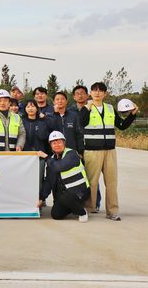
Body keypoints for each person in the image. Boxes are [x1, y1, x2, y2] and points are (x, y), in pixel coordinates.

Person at [79, 82, 137, 221]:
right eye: (94, 90)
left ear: (105, 94)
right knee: (92, 182)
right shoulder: (86, 108)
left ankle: (112, 211)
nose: (97, 93)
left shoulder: (110, 108)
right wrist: (87, 108)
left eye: (100, 91)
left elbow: (121, 125)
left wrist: (132, 115)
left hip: (110, 151)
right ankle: (88, 209)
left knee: (111, 183)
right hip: (92, 152)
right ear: (90, 93)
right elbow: (81, 123)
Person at [38, 131, 90, 222]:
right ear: (51, 146)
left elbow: (60, 166)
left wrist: (46, 157)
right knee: (56, 214)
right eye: (54, 143)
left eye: (59, 142)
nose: (57, 145)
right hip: (64, 196)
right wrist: (41, 198)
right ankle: (74, 208)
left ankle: (82, 212)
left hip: (80, 192)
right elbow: (49, 181)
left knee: (66, 197)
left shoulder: (72, 154)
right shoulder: (52, 160)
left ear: (64, 143)